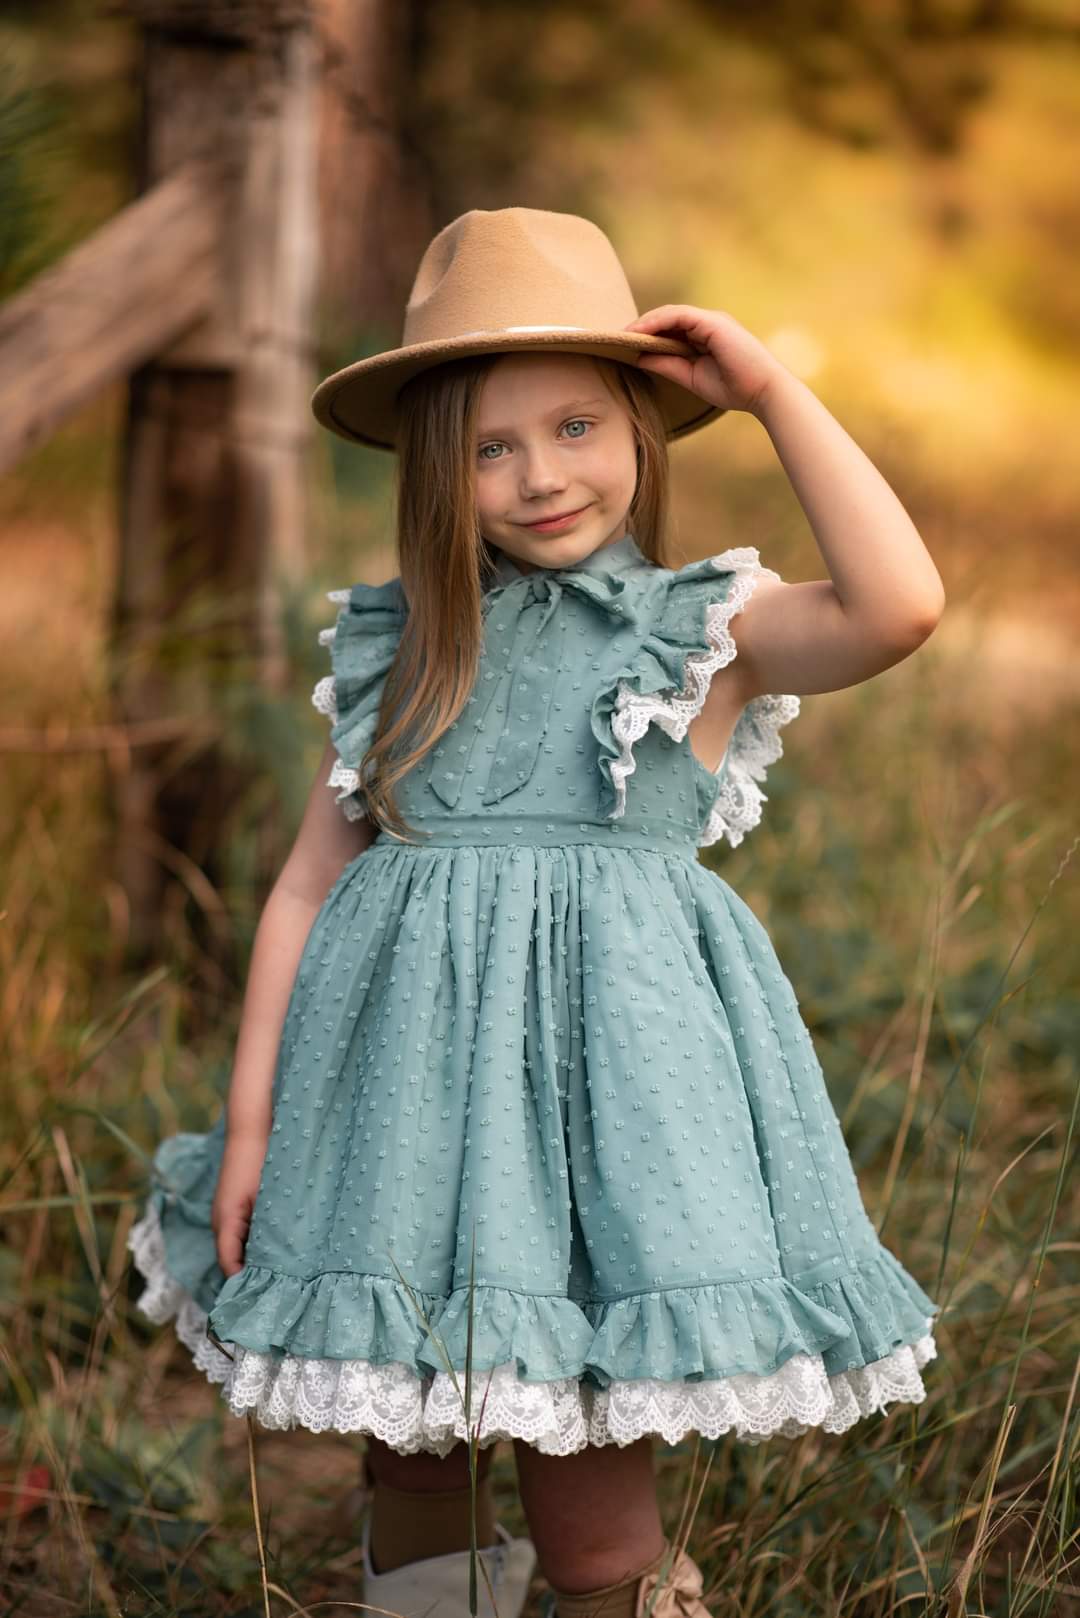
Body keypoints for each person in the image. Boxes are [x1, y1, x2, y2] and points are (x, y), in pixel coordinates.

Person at [128, 206, 945, 1618]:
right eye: (490, 447)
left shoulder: (699, 633)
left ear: (641, 425)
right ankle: (430, 1595)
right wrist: (255, 1121)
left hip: (607, 1151)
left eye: (576, 426)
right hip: (399, 1129)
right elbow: (307, 886)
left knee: (592, 1500)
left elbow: (901, 604)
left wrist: (770, 394)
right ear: (439, 472)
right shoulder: (400, 647)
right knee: (408, 1443)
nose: (537, 475)